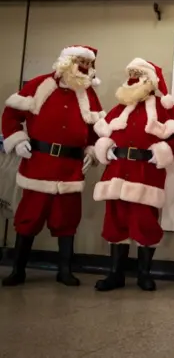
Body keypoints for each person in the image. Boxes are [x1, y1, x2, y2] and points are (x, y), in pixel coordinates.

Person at [1, 45, 104, 286]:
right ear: (66, 61)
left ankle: (64, 270)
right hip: (39, 164)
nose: (84, 67)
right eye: (79, 61)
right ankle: (18, 270)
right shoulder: (40, 85)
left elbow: (96, 129)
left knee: (66, 220)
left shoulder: (88, 93)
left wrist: (92, 149)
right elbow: (12, 114)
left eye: (87, 63)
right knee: (28, 217)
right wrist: (17, 140)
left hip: (70, 168)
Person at [92, 58, 174, 292]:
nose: (133, 78)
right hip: (117, 172)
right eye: (131, 74)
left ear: (149, 80)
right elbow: (102, 131)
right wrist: (105, 147)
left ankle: (144, 274)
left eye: (138, 74)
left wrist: (163, 153)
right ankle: (115, 274)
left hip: (145, 174)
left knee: (144, 223)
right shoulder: (120, 107)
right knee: (115, 221)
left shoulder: (163, 108)